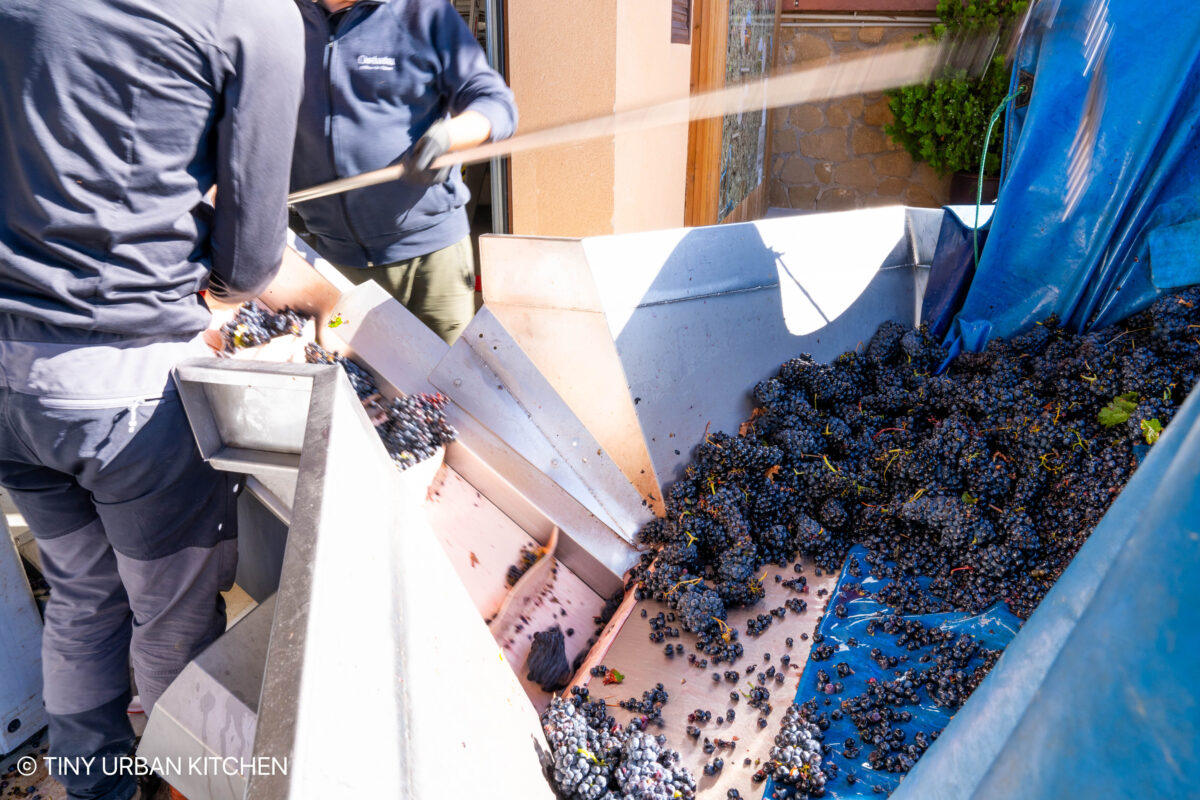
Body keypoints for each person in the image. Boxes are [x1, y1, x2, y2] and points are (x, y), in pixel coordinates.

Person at [0, 3, 304, 799]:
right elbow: (249, 261)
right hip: (124, 399)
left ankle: (95, 788)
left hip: (8, 391)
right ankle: (183, 786)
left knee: (81, 596)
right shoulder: (251, 16)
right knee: (170, 620)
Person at [289, 0, 518, 345]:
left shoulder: (424, 13)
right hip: (335, 262)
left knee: (445, 391)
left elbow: (495, 103)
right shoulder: (284, 19)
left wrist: (449, 138)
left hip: (431, 262)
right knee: (352, 392)